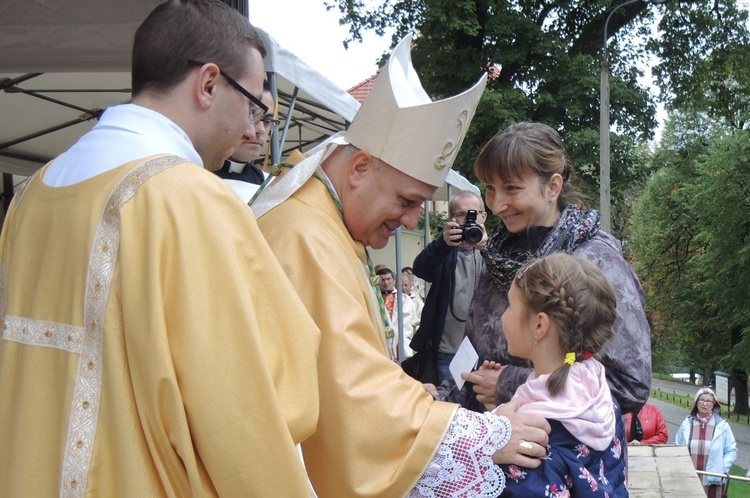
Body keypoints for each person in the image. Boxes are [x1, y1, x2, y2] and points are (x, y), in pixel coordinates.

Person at [0, 1, 320, 495]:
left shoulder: (31, 195)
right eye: (254, 104)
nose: (249, 127)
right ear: (209, 83)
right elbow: (241, 408)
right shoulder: (189, 198)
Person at [252, 36, 551, 497]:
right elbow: (348, 401)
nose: (412, 220)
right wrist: (486, 436)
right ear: (360, 168)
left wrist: (411, 396)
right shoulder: (304, 235)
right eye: (407, 200)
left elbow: (348, 365)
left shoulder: (324, 222)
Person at [445, 122, 652, 416]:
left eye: (512, 189)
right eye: (491, 189)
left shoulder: (596, 262)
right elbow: (473, 358)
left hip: (559, 456)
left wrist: (510, 384)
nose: (496, 205)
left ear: (552, 187)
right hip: (492, 445)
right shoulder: (499, 256)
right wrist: (441, 400)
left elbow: (629, 385)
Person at [497, 253, 627, 496]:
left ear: (539, 325)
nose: (503, 316)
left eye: (510, 305)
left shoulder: (528, 438)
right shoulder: (600, 397)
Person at [411, 190, 488, 384]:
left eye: (474, 213)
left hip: (484, 352)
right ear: (452, 219)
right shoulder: (443, 251)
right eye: (461, 214)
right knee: (449, 404)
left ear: (484, 217)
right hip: (447, 349)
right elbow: (420, 270)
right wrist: (442, 244)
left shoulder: (493, 252)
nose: (468, 220)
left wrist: (489, 250)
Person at [215, 81, 278, 202]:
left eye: (267, 121)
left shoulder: (271, 186)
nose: (260, 129)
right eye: (252, 115)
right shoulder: (187, 173)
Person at [676, 387, 737, 497]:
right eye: (702, 400)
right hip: (688, 478)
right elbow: (676, 448)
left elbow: (731, 450)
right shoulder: (686, 424)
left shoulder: (722, 426)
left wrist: (722, 469)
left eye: (708, 401)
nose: (705, 404)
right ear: (696, 403)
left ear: (714, 404)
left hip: (713, 481)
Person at [377, 266, 417, 359]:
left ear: (394, 281)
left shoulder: (403, 299)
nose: (386, 283)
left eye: (388, 279)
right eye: (382, 280)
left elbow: (407, 322)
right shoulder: (374, 298)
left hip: (399, 340)